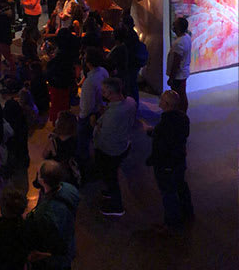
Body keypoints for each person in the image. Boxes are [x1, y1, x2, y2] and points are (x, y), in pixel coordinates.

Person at [24, 160, 80, 270]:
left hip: (52, 261)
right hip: (69, 243)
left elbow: (44, 240)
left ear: (42, 180)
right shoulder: (70, 189)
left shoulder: (43, 214)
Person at [142, 90, 194, 228]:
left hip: (166, 164)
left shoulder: (164, 125)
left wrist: (151, 160)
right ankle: (188, 211)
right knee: (181, 185)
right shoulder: (183, 118)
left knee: (168, 192)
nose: (159, 102)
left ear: (166, 104)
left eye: (162, 100)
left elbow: (161, 146)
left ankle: (172, 223)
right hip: (180, 159)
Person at [94, 77, 136, 216]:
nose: (102, 93)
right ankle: (110, 192)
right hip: (124, 144)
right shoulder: (130, 102)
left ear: (111, 93)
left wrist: (94, 124)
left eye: (105, 91)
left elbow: (102, 134)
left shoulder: (113, 113)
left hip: (111, 150)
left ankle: (117, 206)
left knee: (111, 176)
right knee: (111, 174)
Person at [77, 48, 108, 180]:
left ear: (88, 63)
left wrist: (81, 117)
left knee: (83, 143)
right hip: (100, 110)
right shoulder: (103, 71)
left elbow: (86, 106)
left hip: (90, 115)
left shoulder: (89, 83)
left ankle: (86, 171)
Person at [43, 111, 80, 186]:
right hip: (71, 173)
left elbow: (44, 155)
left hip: (57, 173)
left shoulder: (54, 141)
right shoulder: (75, 138)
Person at [3, 98, 30, 194]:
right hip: (22, 156)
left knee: (13, 182)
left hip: (11, 158)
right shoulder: (22, 121)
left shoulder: (6, 126)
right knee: (22, 180)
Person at [166, 17, 192, 113]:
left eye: (175, 25)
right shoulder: (187, 38)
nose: (173, 26)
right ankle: (182, 113)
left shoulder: (178, 43)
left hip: (178, 75)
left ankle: (180, 114)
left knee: (179, 96)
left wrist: (171, 78)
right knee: (182, 95)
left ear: (179, 28)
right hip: (183, 72)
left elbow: (176, 62)